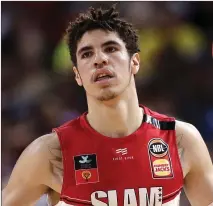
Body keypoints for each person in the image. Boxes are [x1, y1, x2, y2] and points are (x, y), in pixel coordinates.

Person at [2, 5, 213, 206]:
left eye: (110, 48)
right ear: (77, 75)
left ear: (135, 62)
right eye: (86, 54)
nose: (100, 59)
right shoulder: (50, 152)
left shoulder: (180, 139)